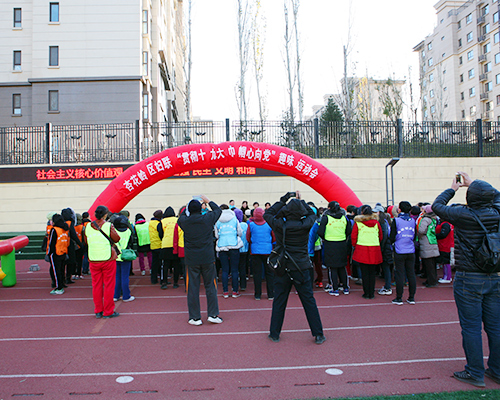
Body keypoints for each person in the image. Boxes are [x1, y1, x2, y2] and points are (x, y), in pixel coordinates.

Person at [432, 171, 500, 387]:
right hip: (493, 276)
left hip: (469, 277)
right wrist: (475, 184)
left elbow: (437, 206)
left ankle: (475, 372)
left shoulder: (462, 214)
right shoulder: (497, 212)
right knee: (495, 326)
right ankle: (497, 370)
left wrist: (454, 188)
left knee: (471, 327)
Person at [264, 191, 325, 344]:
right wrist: (300, 200)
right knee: (308, 300)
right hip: (301, 266)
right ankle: (318, 334)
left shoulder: (279, 224)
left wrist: (284, 199)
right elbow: (313, 212)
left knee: (279, 301)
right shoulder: (306, 224)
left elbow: (268, 213)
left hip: (283, 267)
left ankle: (274, 333)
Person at [177, 195, 223, 325]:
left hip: (192, 260)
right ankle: (213, 314)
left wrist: (188, 205)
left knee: (192, 288)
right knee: (211, 286)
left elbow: (181, 215)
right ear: (201, 208)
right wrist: (208, 201)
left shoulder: (184, 221)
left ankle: (195, 317)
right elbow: (218, 211)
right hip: (207, 258)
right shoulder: (207, 219)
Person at [84, 205, 120, 319]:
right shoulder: (108, 225)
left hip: (94, 258)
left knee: (96, 285)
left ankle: (98, 310)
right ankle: (108, 311)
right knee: (109, 285)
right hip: (107, 258)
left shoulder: (88, 226)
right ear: (105, 214)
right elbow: (117, 238)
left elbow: (86, 240)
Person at [318, 201, 352, 296]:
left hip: (330, 243)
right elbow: (349, 230)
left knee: (332, 267)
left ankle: (335, 288)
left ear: (329, 208)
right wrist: (343, 236)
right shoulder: (344, 218)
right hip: (341, 243)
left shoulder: (326, 218)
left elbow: (320, 231)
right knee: (342, 266)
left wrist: (326, 238)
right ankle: (345, 288)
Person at [351, 205, 383, 299]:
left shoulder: (358, 223)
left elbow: (354, 236)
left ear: (362, 212)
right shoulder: (376, 223)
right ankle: (371, 293)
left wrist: (355, 246)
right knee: (372, 273)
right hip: (374, 248)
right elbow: (380, 236)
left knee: (364, 273)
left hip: (362, 249)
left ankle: (366, 292)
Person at [389, 201, 417, 305]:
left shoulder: (396, 221)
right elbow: (414, 235)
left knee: (399, 274)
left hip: (399, 250)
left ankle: (399, 297)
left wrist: (392, 242)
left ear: (399, 209)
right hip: (410, 249)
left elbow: (392, 236)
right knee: (411, 274)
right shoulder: (413, 221)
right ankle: (411, 297)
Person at [247, 207, 275, 300]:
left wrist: (254, 242)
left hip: (255, 251)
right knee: (269, 274)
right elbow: (274, 238)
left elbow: (248, 237)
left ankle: (257, 294)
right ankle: (271, 294)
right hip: (267, 250)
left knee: (257, 274)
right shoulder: (269, 224)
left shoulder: (251, 225)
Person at [215, 204, 242, 298]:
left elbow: (216, 235)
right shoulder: (234, 219)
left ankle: (225, 291)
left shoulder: (218, 220)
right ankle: (235, 291)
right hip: (234, 245)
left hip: (222, 245)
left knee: (225, 270)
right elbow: (240, 232)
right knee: (234, 270)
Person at [113, 215, 136, 302]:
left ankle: (115, 295)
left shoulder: (113, 231)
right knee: (125, 277)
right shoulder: (128, 232)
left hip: (115, 256)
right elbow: (131, 242)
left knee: (116, 277)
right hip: (125, 256)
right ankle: (126, 296)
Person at [47, 214, 70, 294]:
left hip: (56, 253)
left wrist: (49, 253)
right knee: (61, 270)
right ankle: (62, 284)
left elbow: (52, 243)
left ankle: (59, 288)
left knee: (56, 271)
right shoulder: (65, 229)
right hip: (63, 252)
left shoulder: (55, 230)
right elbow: (67, 241)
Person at [158, 207, 180, 289]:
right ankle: (176, 282)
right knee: (176, 264)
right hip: (176, 244)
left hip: (166, 244)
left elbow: (160, 233)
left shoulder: (162, 221)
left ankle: (164, 282)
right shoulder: (177, 220)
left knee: (165, 265)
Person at [418, 205, 440, 287]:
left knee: (428, 263)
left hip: (426, 241)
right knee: (433, 263)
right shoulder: (434, 219)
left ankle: (431, 281)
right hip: (433, 240)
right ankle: (433, 279)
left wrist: (419, 236)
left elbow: (421, 230)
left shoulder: (425, 219)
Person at [436, 218, 454, 284]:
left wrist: (435, 236)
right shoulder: (446, 224)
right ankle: (446, 276)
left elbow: (443, 234)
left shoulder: (445, 224)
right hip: (444, 244)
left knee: (446, 261)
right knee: (445, 262)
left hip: (445, 245)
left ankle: (447, 277)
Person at [149, 210, 163, 285]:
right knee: (160, 263)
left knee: (154, 263)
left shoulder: (150, 223)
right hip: (159, 245)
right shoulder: (159, 224)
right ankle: (162, 278)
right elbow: (161, 235)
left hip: (153, 244)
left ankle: (153, 278)